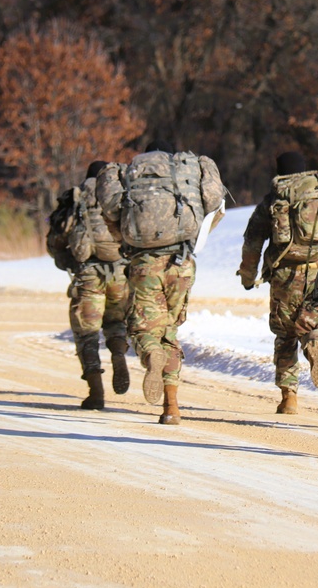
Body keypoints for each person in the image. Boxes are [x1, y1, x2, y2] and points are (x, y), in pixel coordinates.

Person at [97, 140, 227, 425]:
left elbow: (111, 212)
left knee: (143, 327)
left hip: (145, 264)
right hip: (182, 264)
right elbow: (215, 204)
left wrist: (126, 242)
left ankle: (151, 354)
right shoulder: (186, 175)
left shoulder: (133, 175)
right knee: (170, 328)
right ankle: (171, 407)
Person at [237, 152, 318, 414]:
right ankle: (314, 347)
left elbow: (252, 242)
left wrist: (248, 275)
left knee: (285, 335)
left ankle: (289, 397)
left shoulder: (273, 201)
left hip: (285, 277)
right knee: (315, 324)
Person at [50, 161, 131, 410]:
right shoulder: (121, 195)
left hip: (88, 274)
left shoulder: (77, 198)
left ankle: (96, 392)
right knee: (116, 323)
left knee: (87, 333)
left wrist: (69, 265)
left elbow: (56, 238)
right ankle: (118, 354)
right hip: (120, 271)